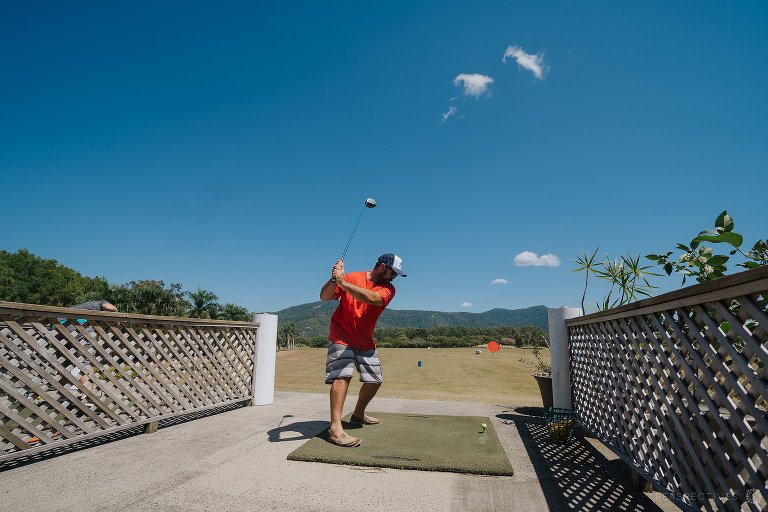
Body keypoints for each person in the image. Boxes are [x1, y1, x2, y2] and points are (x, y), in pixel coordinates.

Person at [319, 253, 407, 447]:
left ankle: (358, 414)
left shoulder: (388, 288)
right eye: (393, 272)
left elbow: (372, 298)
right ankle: (335, 428)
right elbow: (324, 296)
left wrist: (343, 282)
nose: (394, 277)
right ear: (383, 266)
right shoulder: (351, 277)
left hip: (365, 340)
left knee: (375, 380)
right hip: (341, 335)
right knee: (342, 375)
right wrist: (335, 279)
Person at [67, 300, 118, 396]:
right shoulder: (101, 302)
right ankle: (89, 397)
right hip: (78, 325)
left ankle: (59, 395)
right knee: (85, 362)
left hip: (56, 325)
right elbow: (111, 308)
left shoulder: (81, 305)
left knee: (64, 362)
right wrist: (116, 318)